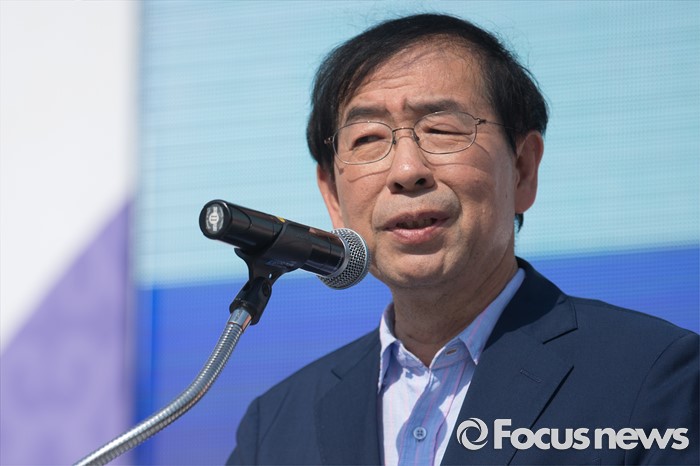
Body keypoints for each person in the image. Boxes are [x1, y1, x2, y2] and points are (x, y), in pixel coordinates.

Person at [227, 13, 699, 465]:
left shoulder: (653, 376)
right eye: (368, 138)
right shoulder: (275, 426)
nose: (406, 170)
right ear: (332, 194)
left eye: (442, 129)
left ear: (522, 169)